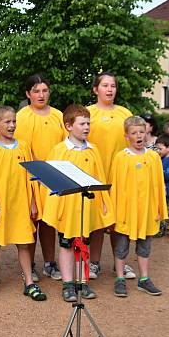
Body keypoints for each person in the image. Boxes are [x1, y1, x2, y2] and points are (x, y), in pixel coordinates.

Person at [43, 104, 114, 302]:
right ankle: (67, 284)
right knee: (66, 245)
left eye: (88, 123)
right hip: (67, 208)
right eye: (82, 123)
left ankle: (82, 282)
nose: (86, 127)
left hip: (86, 207)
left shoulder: (93, 150)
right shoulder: (59, 150)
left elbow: (99, 177)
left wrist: (104, 204)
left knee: (83, 244)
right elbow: (51, 183)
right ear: (68, 126)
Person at [0, 105, 47, 302]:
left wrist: (33, 202)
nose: (12, 125)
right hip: (0, 208)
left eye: (14, 121)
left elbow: (31, 176)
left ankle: (29, 282)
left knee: (24, 245)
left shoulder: (23, 146)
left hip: (21, 206)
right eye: (7, 122)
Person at [14, 74, 66, 282]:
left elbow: (64, 145)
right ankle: (29, 266)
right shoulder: (21, 117)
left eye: (44, 90)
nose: (41, 95)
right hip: (29, 176)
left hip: (54, 176)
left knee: (49, 222)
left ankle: (49, 263)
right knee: (30, 222)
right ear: (28, 94)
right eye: (36, 91)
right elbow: (19, 148)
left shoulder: (58, 116)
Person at [110, 116, 168, 297]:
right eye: (134, 133)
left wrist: (160, 209)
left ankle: (144, 279)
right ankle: (120, 278)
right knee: (121, 247)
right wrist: (113, 213)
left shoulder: (153, 157)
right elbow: (115, 186)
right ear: (127, 136)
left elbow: (159, 184)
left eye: (141, 132)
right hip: (126, 211)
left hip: (147, 211)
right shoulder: (121, 157)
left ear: (146, 133)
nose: (138, 136)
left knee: (145, 246)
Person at [86, 73, 136, 282]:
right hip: (95, 175)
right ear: (96, 89)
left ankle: (120, 264)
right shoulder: (88, 113)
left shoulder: (125, 113)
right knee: (98, 221)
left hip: (120, 176)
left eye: (113, 86)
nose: (109, 89)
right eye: (105, 85)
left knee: (119, 222)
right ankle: (94, 263)